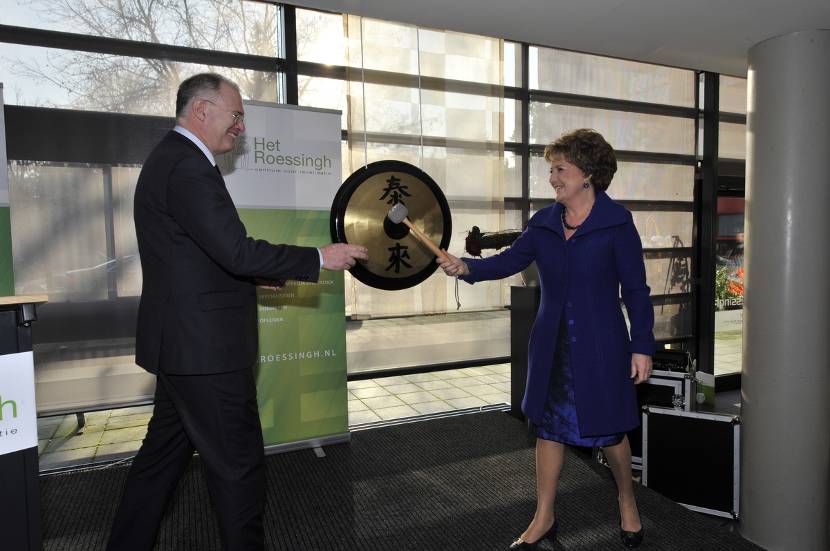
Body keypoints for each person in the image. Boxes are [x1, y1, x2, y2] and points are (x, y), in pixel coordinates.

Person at [106, 73, 368, 551]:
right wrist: (317, 257)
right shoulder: (186, 166)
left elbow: (201, 256)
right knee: (239, 468)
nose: (241, 128)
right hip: (208, 353)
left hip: (184, 347)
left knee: (160, 462)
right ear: (202, 111)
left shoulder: (173, 160)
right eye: (236, 116)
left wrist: (255, 274)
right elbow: (235, 250)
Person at [438, 128, 654, 550]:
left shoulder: (617, 224)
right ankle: (544, 516)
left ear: (588, 173)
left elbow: (636, 290)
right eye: (551, 169)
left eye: (560, 169)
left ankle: (627, 499)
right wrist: (465, 267)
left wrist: (642, 344)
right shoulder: (543, 223)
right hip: (552, 344)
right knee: (549, 429)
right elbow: (508, 261)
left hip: (602, 346)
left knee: (610, 433)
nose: (552, 178)